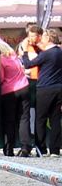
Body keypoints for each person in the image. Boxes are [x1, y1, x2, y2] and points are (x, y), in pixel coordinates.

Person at [23, 27, 62, 156]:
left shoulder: (46, 54)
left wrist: (24, 52)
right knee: (55, 119)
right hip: (58, 88)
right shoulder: (59, 52)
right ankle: (55, 149)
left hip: (45, 88)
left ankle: (41, 148)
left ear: (49, 38)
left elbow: (28, 64)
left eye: (44, 37)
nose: (42, 39)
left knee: (40, 119)